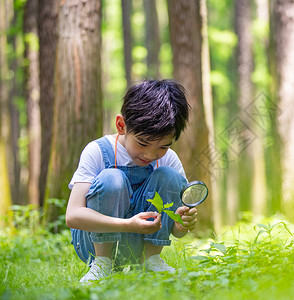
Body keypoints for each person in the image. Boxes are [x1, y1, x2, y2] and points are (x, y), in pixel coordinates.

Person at [66, 79, 197, 283]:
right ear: (121, 125)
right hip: (93, 244)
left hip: (139, 242)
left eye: (163, 146)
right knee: (112, 178)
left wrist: (182, 224)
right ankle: (102, 264)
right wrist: (127, 224)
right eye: (143, 143)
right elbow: (73, 216)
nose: (151, 154)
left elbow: (176, 230)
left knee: (170, 176)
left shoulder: (168, 159)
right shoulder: (97, 151)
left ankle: (151, 259)